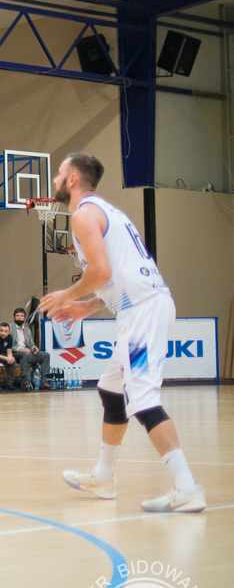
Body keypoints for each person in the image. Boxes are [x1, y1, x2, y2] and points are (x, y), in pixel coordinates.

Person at [46, 152, 206, 512]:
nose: (55, 180)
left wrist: (68, 295)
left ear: (73, 179)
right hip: (143, 306)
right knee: (111, 391)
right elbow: (120, 275)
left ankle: (187, 487)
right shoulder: (107, 211)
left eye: (59, 174)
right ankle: (103, 478)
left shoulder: (84, 215)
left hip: (143, 312)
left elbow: (101, 272)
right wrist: (88, 306)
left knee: (144, 401)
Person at [9, 307, 50, 389]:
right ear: (14, 317)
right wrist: (20, 349)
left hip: (27, 353)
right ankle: (24, 383)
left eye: (21, 316)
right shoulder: (10, 327)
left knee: (46, 355)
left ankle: (43, 382)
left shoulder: (27, 330)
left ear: (24, 318)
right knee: (25, 354)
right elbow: (8, 345)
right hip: (14, 353)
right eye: (17, 316)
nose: (19, 318)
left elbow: (31, 344)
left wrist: (34, 348)